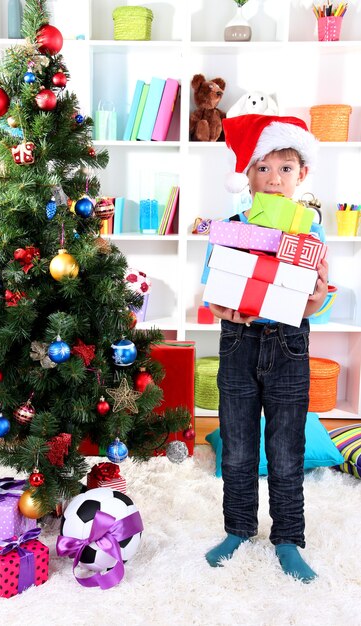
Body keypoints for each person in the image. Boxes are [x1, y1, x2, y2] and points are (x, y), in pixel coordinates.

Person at [204, 114, 328, 583]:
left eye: (285, 168)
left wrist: (318, 297)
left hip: (289, 344)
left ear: (302, 175)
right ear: (247, 175)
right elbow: (214, 291)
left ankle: (289, 538)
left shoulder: (308, 233)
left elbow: (319, 295)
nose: (273, 179)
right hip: (239, 342)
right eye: (263, 168)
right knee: (236, 448)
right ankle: (238, 529)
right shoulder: (233, 226)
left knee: (286, 450)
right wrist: (220, 306)